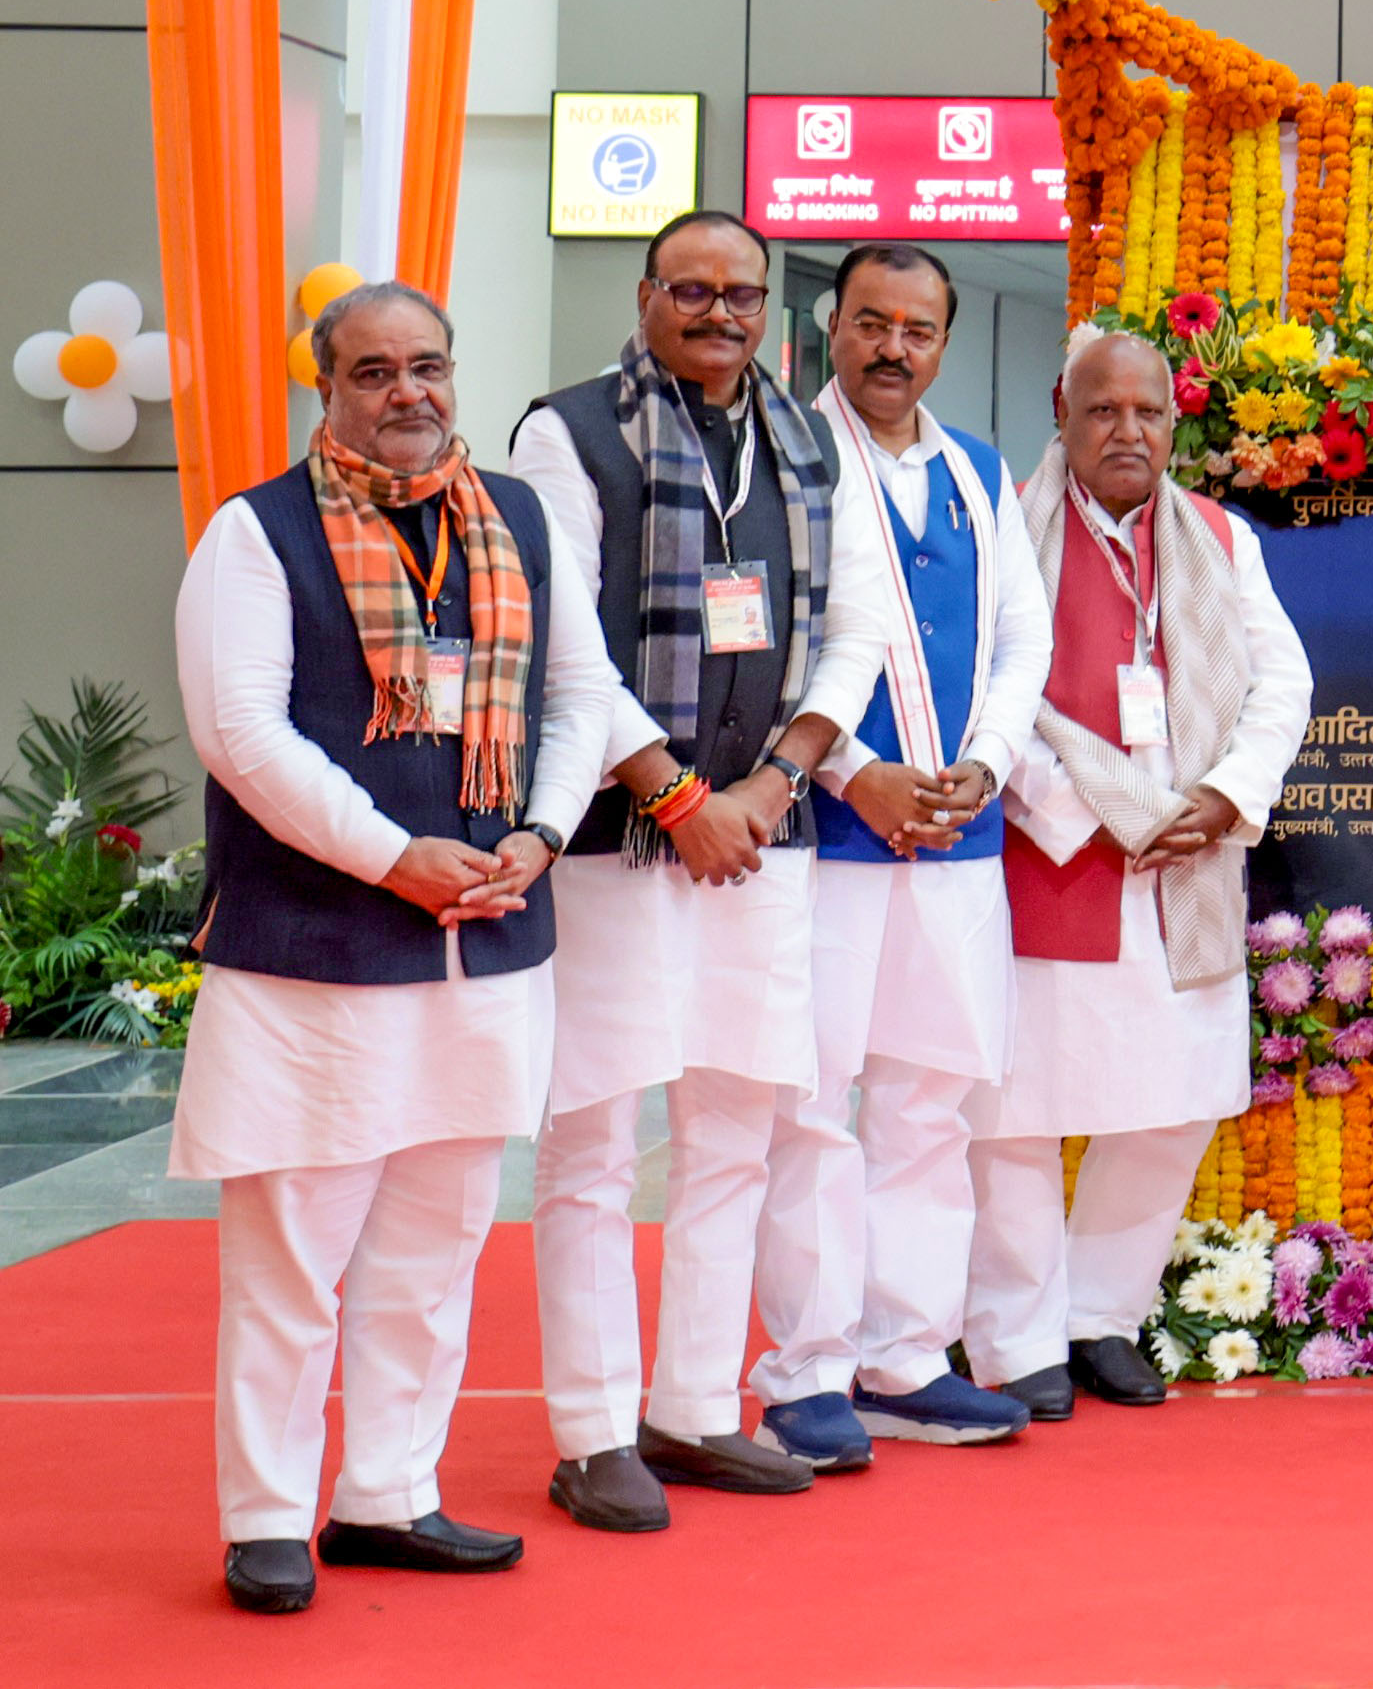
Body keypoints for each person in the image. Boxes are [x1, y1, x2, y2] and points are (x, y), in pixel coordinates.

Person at [171, 283, 659, 1613]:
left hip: (488, 943)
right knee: (293, 1249)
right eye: (374, 370)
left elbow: (577, 698)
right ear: (324, 388)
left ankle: (390, 1491)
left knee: (440, 1238)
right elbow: (242, 734)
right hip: (315, 953)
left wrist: (547, 830)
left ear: (455, 372)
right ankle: (267, 1516)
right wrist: (391, 854)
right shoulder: (255, 533)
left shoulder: (516, 517)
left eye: (428, 365)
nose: (408, 393)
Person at [508, 209, 859, 1529]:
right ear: (647, 294)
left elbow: (857, 629)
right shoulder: (569, 429)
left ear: (772, 307)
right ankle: (594, 1428)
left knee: (738, 1130)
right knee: (595, 1136)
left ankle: (696, 1408)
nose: (721, 313)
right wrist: (672, 790)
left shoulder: (808, 436)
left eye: (744, 294)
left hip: (763, 839)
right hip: (612, 836)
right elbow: (561, 643)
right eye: (693, 289)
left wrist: (769, 787)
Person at [968, 330, 1313, 1413]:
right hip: (1052, 849)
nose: (1127, 432)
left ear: (1174, 422)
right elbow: (983, 693)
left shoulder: (1219, 536)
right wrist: (1089, 811)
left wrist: (1226, 796)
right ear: (1063, 413)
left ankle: (1099, 1316)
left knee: (1170, 1103)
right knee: (1017, 1109)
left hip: (1190, 856)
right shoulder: (1004, 529)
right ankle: (1016, 1334)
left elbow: (1282, 681)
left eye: (1148, 414)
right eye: (1103, 411)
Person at [749, 244, 1052, 1460]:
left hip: (959, 836)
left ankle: (907, 1356)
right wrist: (849, 772)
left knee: (931, 1103)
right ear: (831, 327)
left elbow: (1019, 638)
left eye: (917, 329)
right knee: (814, 1107)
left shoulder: (978, 469)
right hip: (825, 835)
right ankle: (807, 1368)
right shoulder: (781, 461)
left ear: (942, 340)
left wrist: (984, 760)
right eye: (870, 322)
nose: (892, 347)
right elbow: (761, 643)